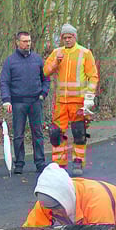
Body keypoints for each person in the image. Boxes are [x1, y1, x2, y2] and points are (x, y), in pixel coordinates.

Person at [43, 24, 98, 177]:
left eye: (70, 37)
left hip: (78, 101)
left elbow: (93, 76)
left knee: (79, 132)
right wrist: (56, 62)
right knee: (56, 133)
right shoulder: (57, 53)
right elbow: (45, 71)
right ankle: (59, 164)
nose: (67, 40)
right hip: (61, 102)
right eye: (64, 37)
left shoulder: (84, 53)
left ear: (75, 37)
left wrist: (89, 96)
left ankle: (78, 161)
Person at [0, 31, 50, 174]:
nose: (27, 43)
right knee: (18, 135)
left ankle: (40, 163)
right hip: (18, 102)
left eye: (29, 41)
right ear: (17, 42)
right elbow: (4, 81)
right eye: (24, 41)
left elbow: (46, 78)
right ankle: (19, 164)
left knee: (38, 134)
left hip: (35, 101)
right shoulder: (10, 61)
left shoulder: (37, 59)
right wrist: (6, 100)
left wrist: (43, 93)